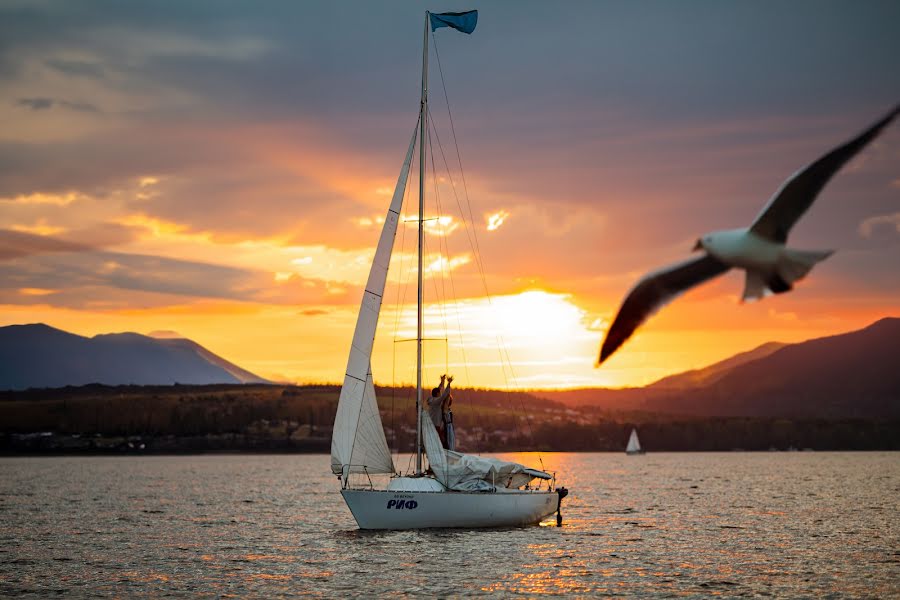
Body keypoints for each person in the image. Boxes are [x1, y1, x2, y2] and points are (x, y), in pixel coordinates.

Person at [427, 374, 453, 447]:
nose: (440, 393)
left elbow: (439, 389)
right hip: (436, 425)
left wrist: (442, 381)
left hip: (432, 424)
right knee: (440, 443)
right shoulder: (436, 401)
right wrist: (449, 384)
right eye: (439, 393)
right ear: (437, 394)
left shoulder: (431, 399)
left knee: (439, 442)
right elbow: (444, 395)